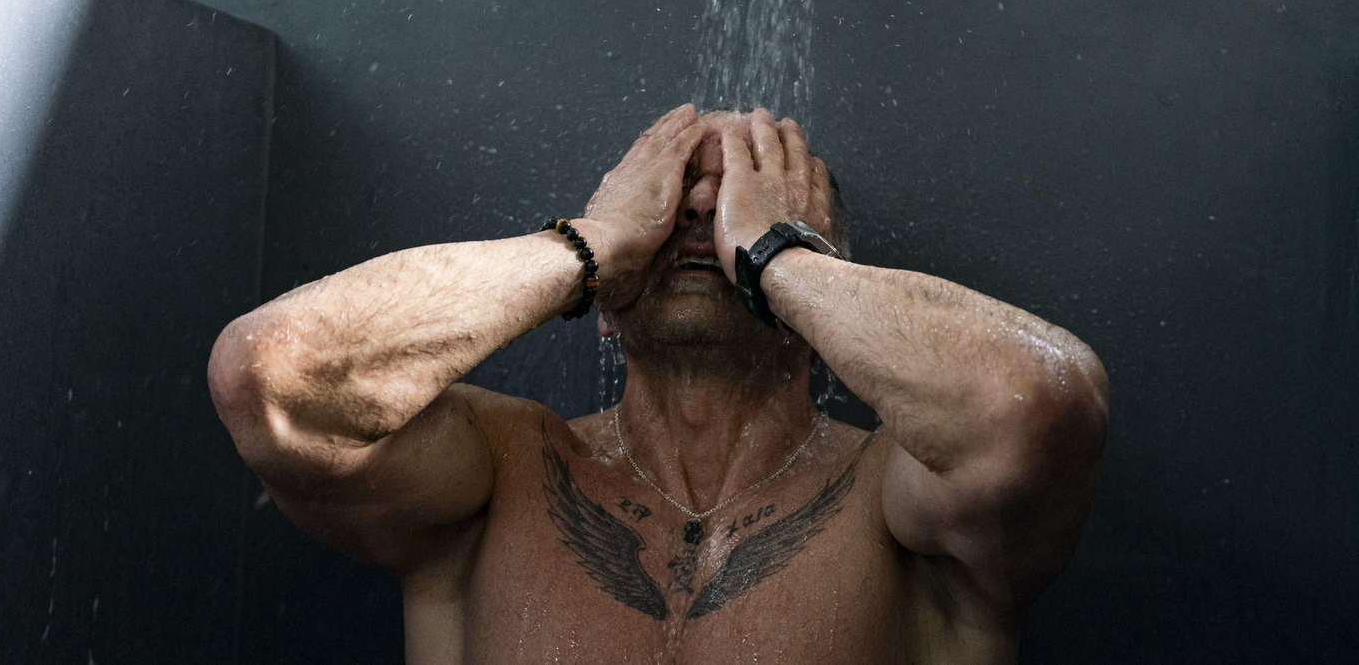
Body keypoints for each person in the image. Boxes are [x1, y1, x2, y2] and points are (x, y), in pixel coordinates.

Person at [208, 104, 1109, 663]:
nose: (703, 217)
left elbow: (1040, 405)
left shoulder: (899, 503)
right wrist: (590, 243)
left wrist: (776, 261)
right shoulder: (499, 473)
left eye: (747, 203)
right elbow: (273, 378)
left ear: (842, 293)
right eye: (670, 202)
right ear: (601, 298)